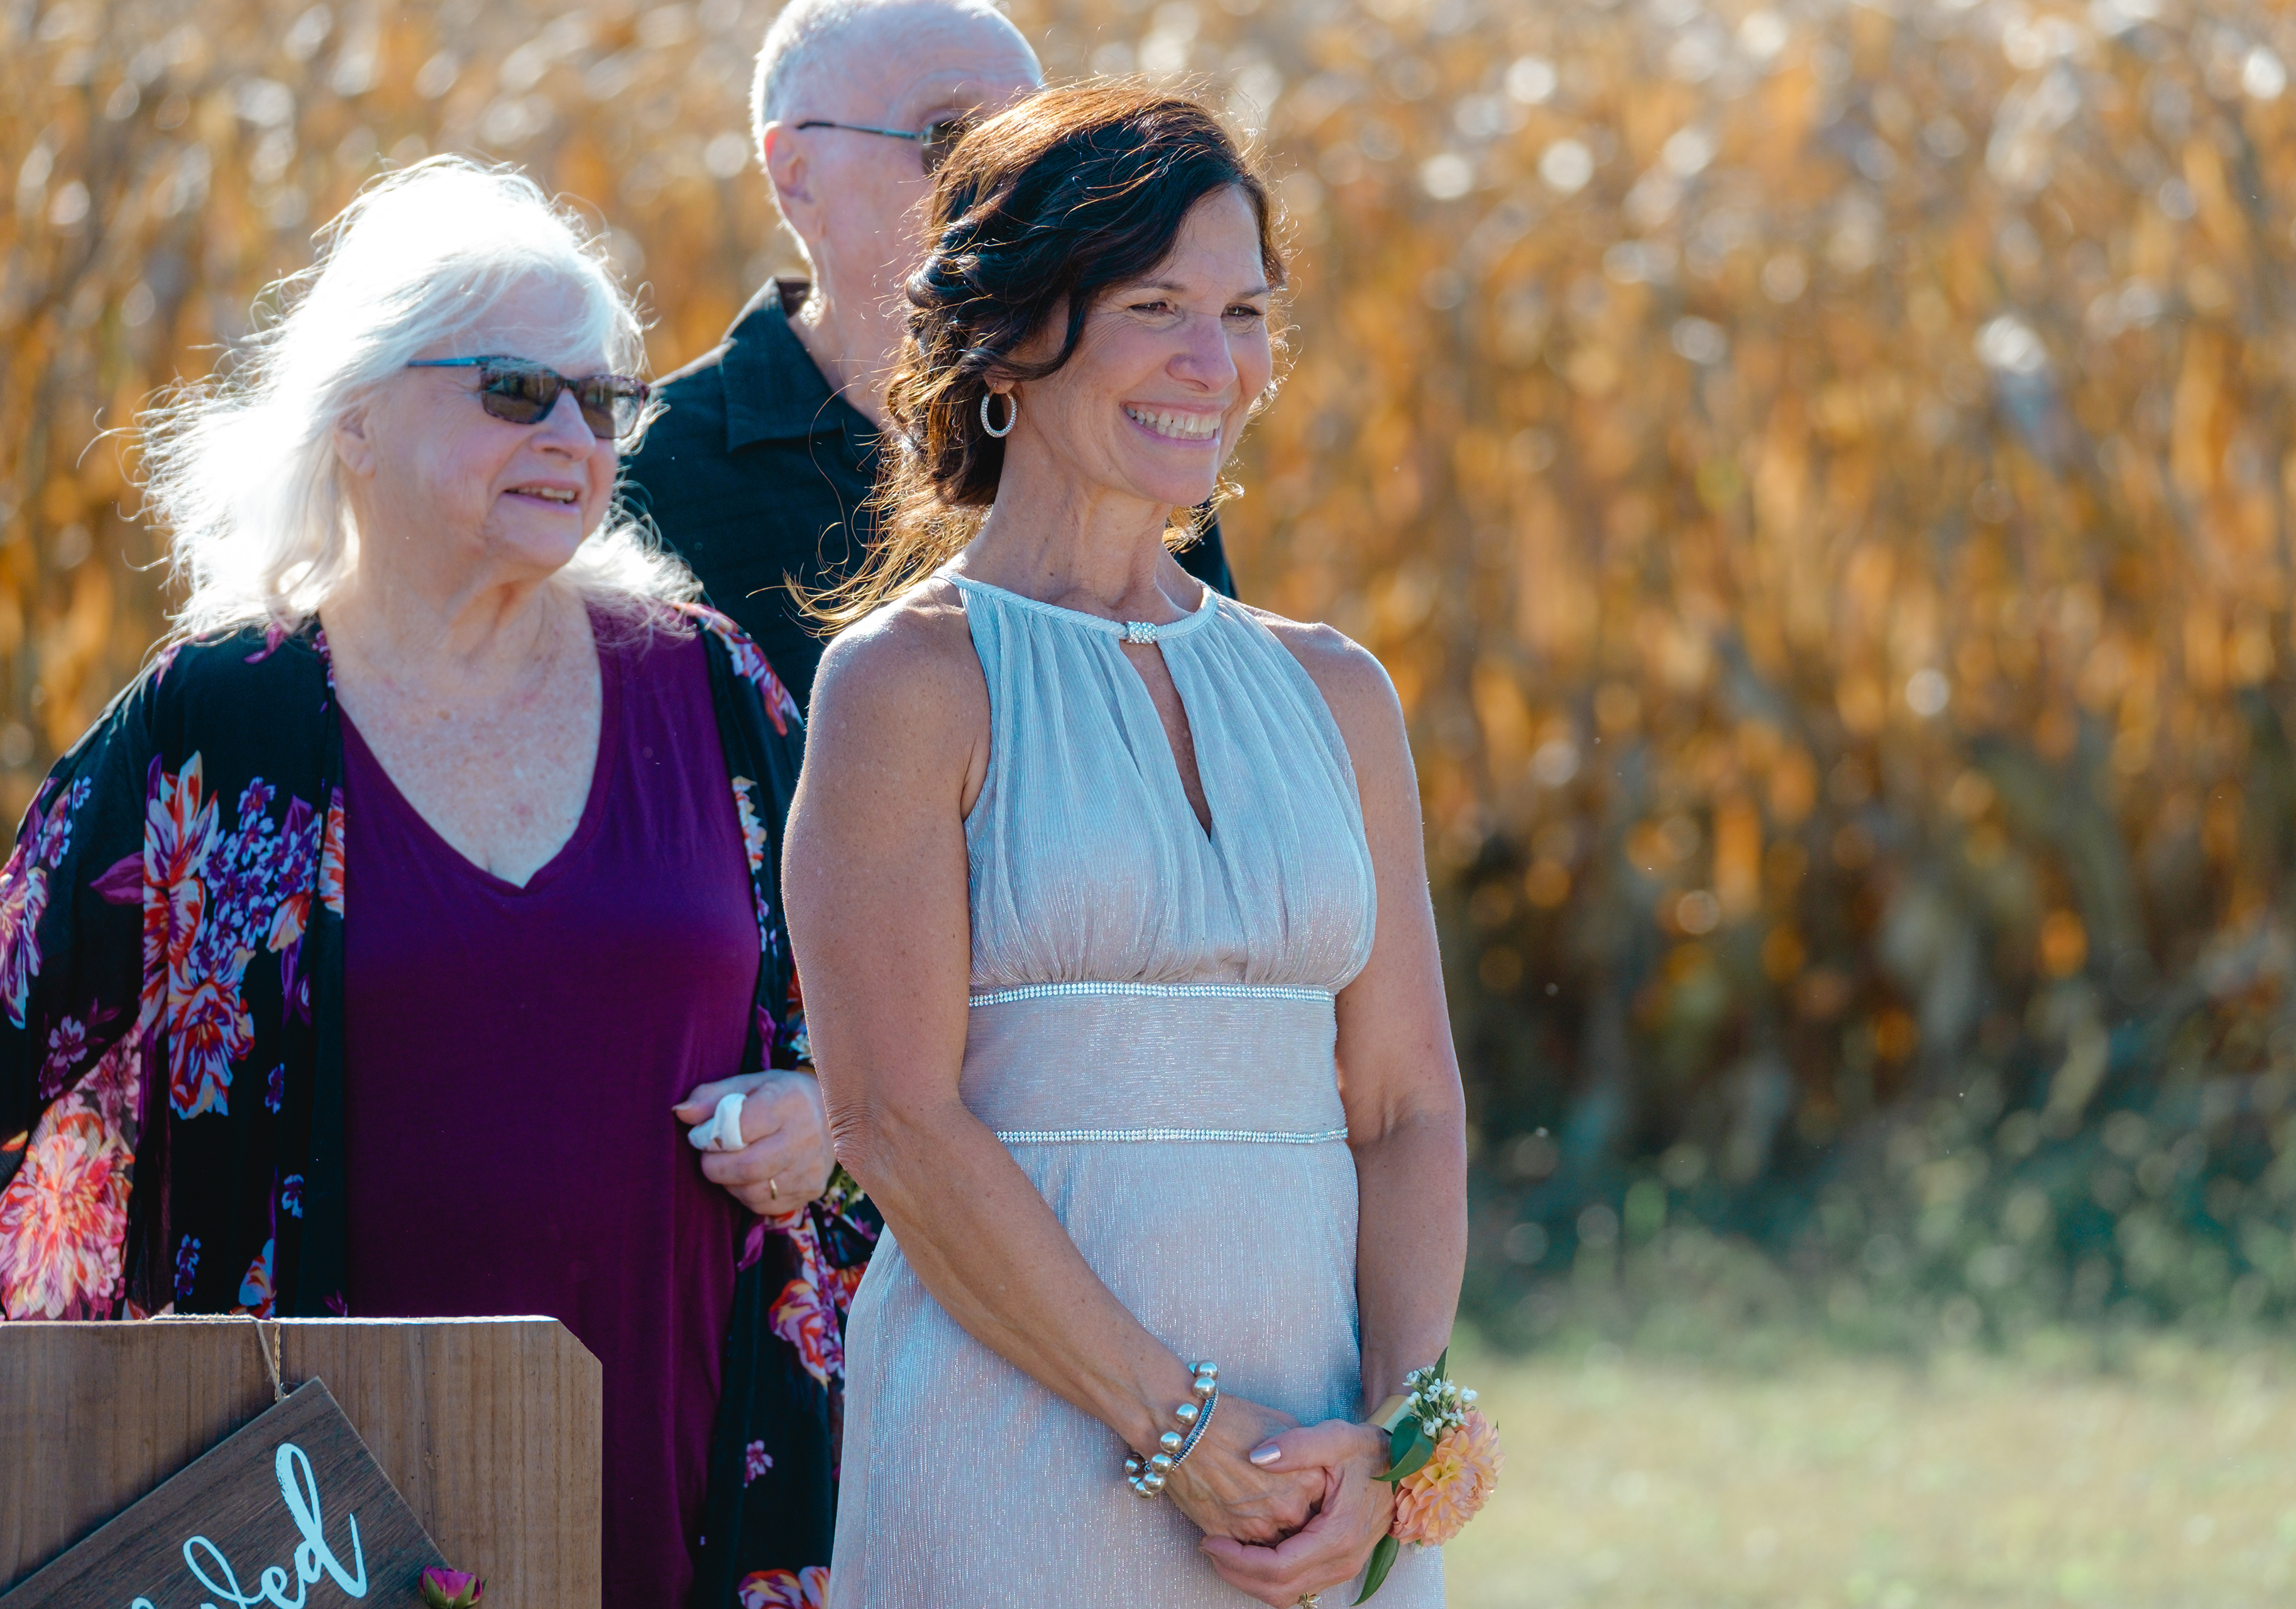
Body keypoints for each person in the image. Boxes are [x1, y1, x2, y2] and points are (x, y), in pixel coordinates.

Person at [0, 159, 864, 1609]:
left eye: (603, 402)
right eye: (517, 391)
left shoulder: (711, 686)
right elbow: (19, 1019)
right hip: (309, 1523)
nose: (573, 436)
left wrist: (823, 1114)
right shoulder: (223, 717)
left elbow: (885, 1024)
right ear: (354, 413)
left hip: (689, 1488)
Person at [789, 85, 1467, 1606]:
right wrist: (1176, 1428)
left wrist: (1392, 1436)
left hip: (1322, 1479)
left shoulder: (1336, 692)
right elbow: (893, 1118)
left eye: (1244, 313)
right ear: (1008, 338)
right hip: (1020, 1458)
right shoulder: (907, 683)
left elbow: (1408, 1103)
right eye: (1156, 306)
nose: (1213, 364)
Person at [621, 0, 1238, 713]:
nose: (1012, 187)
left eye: (1040, 152)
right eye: (948, 137)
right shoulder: (643, 469)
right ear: (796, 173)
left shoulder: (1125, 421)